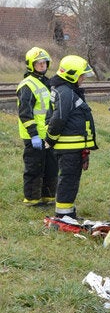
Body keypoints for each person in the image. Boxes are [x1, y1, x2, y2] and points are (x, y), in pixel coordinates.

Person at [45, 55, 97, 220]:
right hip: (68, 148)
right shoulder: (66, 92)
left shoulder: (67, 90)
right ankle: (64, 216)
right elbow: (58, 119)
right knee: (68, 181)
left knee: (71, 180)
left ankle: (68, 213)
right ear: (72, 75)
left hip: (73, 147)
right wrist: (50, 139)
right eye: (81, 75)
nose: (83, 78)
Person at [17, 47, 57, 207]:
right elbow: (25, 113)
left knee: (51, 168)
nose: (42, 65)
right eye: (38, 63)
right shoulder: (27, 85)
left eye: (44, 62)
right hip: (33, 136)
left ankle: (48, 197)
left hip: (48, 135)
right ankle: (32, 199)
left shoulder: (46, 82)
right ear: (31, 65)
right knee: (34, 169)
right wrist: (33, 134)